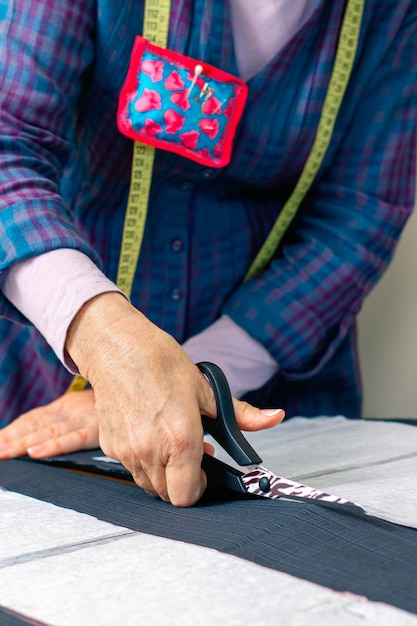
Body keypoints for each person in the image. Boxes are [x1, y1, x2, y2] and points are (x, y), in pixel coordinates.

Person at [0, 0, 416, 506]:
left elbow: (359, 219)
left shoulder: (394, 14)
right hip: (54, 370)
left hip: (270, 390)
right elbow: (7, 148)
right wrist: (106, 343)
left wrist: (198, 377)